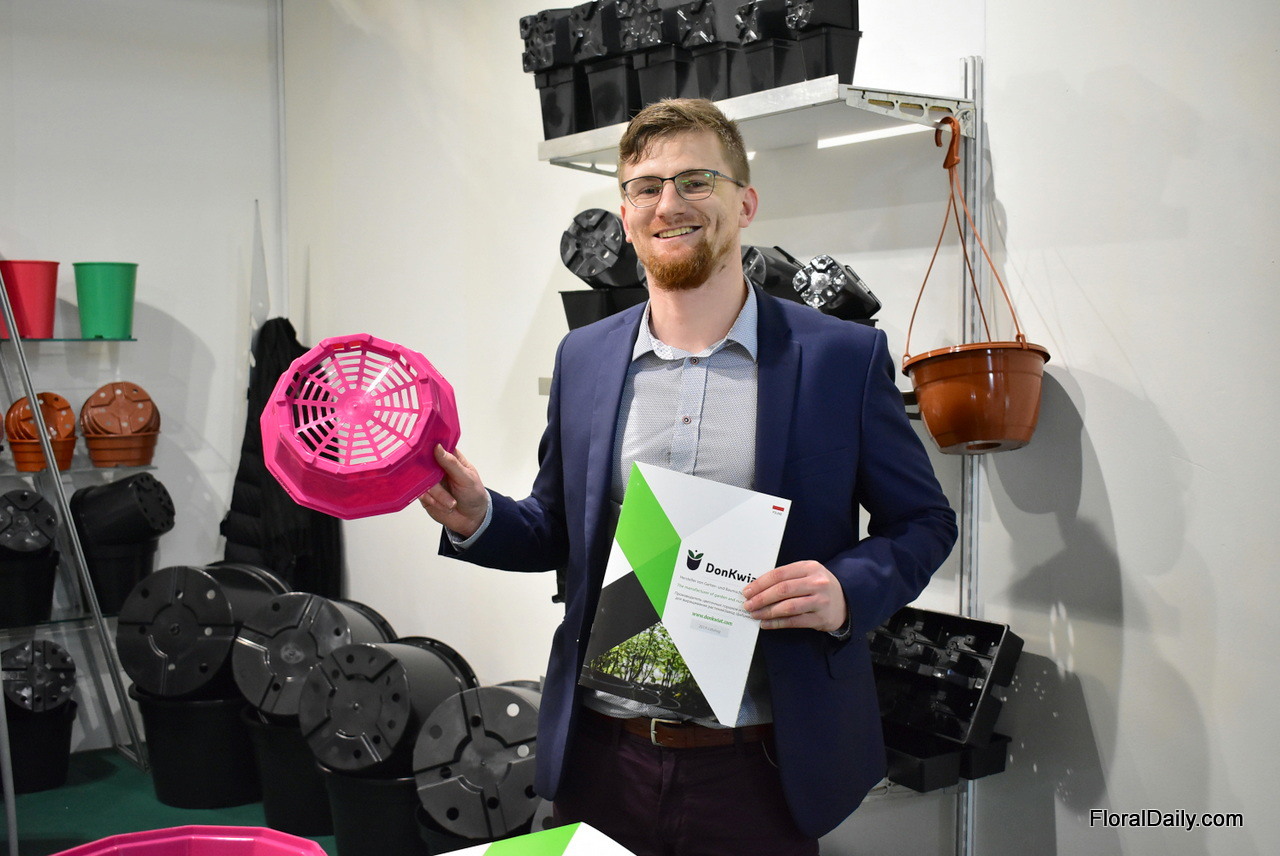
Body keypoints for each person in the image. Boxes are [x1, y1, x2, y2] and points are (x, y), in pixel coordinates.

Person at [420, 98, 957, 855]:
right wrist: (481, 517)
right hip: (605, 760)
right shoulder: (585, 358)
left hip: (759, 767)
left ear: (746, 203)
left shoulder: (840, 358)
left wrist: (846, 591)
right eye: (646, 187)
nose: (669, 204)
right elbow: (559, 527)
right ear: (626, 214)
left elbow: (926, 523)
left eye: (696, 181)